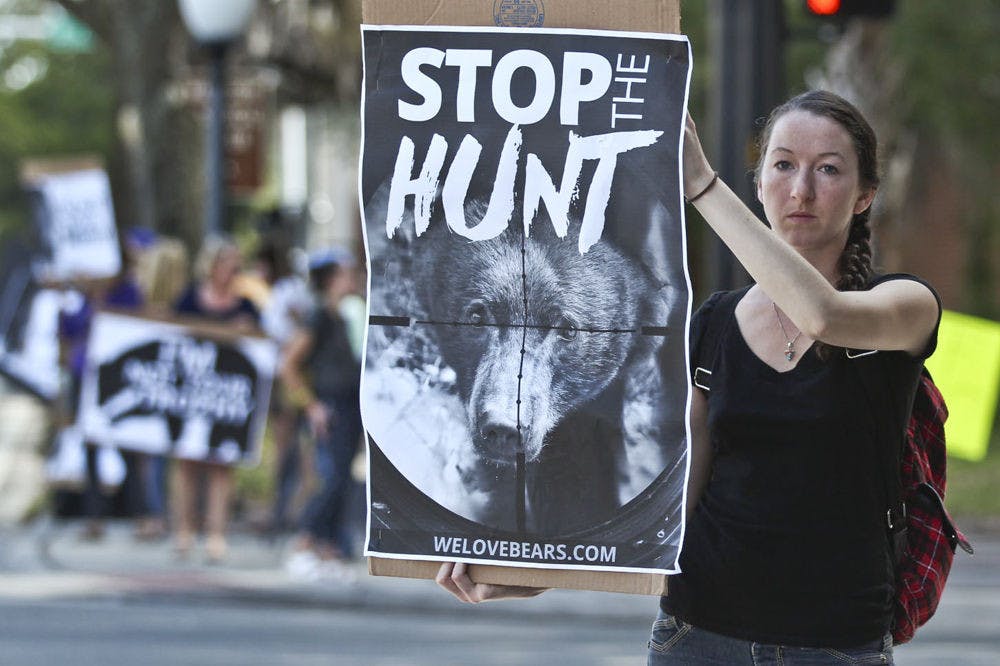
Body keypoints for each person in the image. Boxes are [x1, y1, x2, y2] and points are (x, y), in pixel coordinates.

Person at [438, 90, 940, 666]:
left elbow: (823, 316)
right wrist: (535, 574)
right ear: (758, 185)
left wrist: (701, 185)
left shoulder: (904, 304)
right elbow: (668, 503)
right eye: (783, 165)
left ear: (864, 196)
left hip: (835, 644)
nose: (800, 190)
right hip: (696, 635)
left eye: (827, 170)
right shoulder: (715, 323)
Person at [171, 236, 260, 562]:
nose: (232, 270)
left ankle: (215, 535)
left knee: (222, 466)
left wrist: (248, 330)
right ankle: (183, 530)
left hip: (227, 398)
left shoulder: (246, 306)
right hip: (193, 395)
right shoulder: (188, 300)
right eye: (227, 263)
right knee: (187, 464)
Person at [281, 248, 364, 580]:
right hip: (328, 409)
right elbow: (288, 365)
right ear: (331, 279)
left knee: (342, 478)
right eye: (346, 273)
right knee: (328, 479)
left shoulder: (344, 316)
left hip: (348, 407)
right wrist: (311, 406)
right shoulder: (317, 317)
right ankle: (305, 541)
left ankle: (329, 548)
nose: (353, 279)